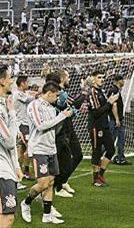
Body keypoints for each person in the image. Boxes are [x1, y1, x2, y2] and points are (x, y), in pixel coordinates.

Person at [21, 82, 73, 224]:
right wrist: (62, 116)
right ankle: (26, 203)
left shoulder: (51, 108)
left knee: (50, 182)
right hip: (38, 149)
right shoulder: (34, 105)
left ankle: (47, 215)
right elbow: (40, 126)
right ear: (49, 93)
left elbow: (54, 128)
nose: (57, 99)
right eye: (56, 95)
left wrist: (62, 118)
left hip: (51, 148)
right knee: (43, 184)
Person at [48, 69, 83, 198]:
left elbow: (72, 108)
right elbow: (73, 104)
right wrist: (84, 92)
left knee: (74, 157)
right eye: (67, 77)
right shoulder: (60, 95)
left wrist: (72, 110)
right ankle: (53, 187)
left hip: (67, 128)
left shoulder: (62, 94)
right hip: (59, 131)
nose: (69, 80)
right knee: (58, 163)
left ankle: (61, 182)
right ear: (62, 79)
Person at [88, 71, 119, 187]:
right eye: (99, 77)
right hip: (96, 126)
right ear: (93, 79)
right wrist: (109, 103)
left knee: (111, 150)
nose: (102, 79)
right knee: (96, 152)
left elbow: (105, 109)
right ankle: (95, 179)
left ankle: (100, 174)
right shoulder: (92, 93)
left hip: (104, 125)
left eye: (103, 77)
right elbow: (96, 112)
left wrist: (110, 103)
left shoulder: (102, 92)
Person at [0, 66, 22, 228]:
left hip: (6, 165)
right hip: (2, 170)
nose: (12, 81)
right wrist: (13, 114)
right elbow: (8, 141)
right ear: (2, 81)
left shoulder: (5, 104)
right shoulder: (3, 108)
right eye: (9, 78)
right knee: (8, 217)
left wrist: (16, 166)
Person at [13, 76, 34, 183]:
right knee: (29, 148)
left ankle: (20, 171)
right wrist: (40, 93)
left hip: (25, 125)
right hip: (22, 125)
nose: (28, 84)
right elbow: (30, 99)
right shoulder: (17, 94)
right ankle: (23, 172)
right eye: (27, 82)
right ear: (22, 83)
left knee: (22, 150)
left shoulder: (23, 93)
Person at [107, 75, 129, 165]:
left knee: (120, 139)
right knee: (112, 140)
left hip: (117, 119)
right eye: (122, 80)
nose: (123, 82)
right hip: (115, 120)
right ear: (118, 81)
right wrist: (116, 119)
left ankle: (120, 157)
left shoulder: (116, 90)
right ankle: (100, 156)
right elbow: (114, 105)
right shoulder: (114, 90)